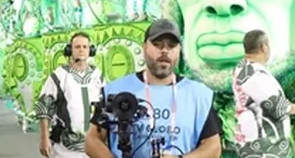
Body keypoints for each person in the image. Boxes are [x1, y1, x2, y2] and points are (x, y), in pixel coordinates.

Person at [86, 19, 221, 158]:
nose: (164, 51)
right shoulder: (116, 91)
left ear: (179, 50)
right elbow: (92, 139)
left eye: (171, 46)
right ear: (144, 47)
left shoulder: (198, 95)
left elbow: (213, 146)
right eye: (157, 45)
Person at [232, 30, 295, 157]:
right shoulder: (254, 74)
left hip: (252, 142)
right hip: (263, 146)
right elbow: (274, 105)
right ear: (264, 47)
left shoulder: (243, 68)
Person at [36, 32, 103, 157]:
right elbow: (44, 107)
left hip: (94, 144)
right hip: (65, 148)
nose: (81, 50)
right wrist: (44, 138)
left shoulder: (98, 75)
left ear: (91, 50)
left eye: (85, 47)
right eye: (77, 47)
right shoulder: (59, 75)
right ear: (69, 50)